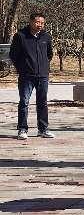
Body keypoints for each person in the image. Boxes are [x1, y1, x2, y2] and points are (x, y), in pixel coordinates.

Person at [10, 12, 54, 140]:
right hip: (26, 76)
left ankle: (43, 129)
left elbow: (49, 55)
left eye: (42, 23)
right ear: (30, 22)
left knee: (42, 103)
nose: (40, 25)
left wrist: (44, 67)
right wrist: (22, 69)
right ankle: (22, 129)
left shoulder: (46, 37)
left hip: (42, 76)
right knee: (24, 102)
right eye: (37, 22)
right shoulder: (20, 36)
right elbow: (13, 55)